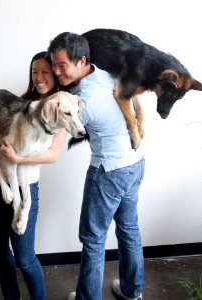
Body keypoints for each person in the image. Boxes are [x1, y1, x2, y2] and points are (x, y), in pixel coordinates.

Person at [48, 33, 145, 300]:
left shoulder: (83, 103)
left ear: (81, 60)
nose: (56, 72)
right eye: (53, 65)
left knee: (93, 240)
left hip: (109, 172)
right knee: (128, 228)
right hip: (135, 163)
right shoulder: (103, 73)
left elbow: (51, 137)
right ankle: (132, 292)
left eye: (62, 65)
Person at [0, 51, 67, 300]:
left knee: (25, 259)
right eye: (34, 72)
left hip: (26, 189)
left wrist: (19, 159)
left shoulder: (62, 110)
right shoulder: (19, 104)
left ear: (55, 74)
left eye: (45, 72)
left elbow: (53, 155)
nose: (39, 77)